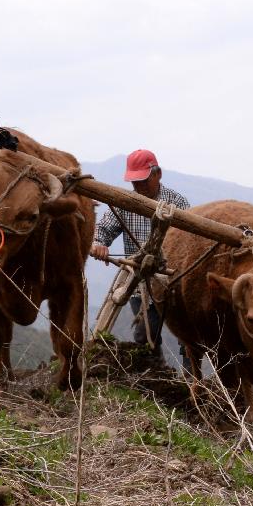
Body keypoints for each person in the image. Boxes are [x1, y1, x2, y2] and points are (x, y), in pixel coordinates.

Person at [91, 149, 190, 358]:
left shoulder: (178, 204)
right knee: (145, 338)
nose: (139, 187)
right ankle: (156, 384)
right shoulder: (126, 203)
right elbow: (103, 230)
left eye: (143, 181)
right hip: (140, 285)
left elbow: (193, 242)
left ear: (158, 174)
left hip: (175, 283)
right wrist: (98, 243)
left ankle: (194, 386)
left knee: (189, 339)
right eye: (135, 182)